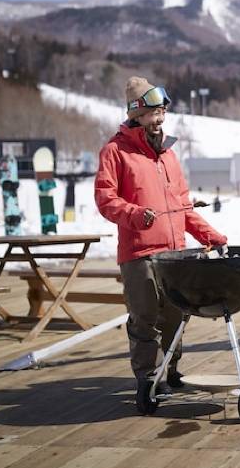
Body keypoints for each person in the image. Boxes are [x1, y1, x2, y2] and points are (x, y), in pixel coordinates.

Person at [95, 76, 228, 414]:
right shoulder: (115, 151)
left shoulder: (168, 154)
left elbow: (182, 205)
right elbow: (105, 198)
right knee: (144, 319)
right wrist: (134, 214)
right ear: (136, 114)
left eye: (162, 113)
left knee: (175, 314)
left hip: (175, 253)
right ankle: (148, 380)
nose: (159, 119)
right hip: (139, 253)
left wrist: (209, 235)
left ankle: (170, 370)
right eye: (153, 113)